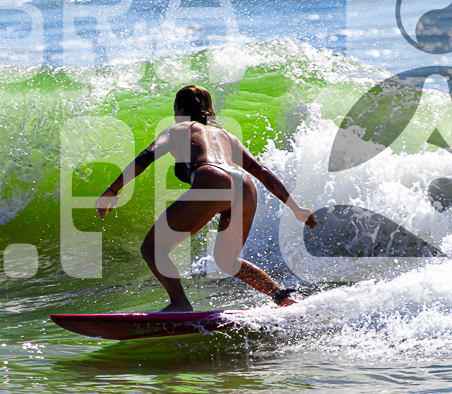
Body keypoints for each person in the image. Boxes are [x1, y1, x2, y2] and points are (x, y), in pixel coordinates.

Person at [95, 85, 318, 312]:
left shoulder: (177, 129)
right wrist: (296, 208)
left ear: (182, 110)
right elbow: (261, 171)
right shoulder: (226, 136)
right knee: (228, 260)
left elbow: (146, 157)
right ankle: (282, 299)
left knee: (152, 248)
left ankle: (180, 303)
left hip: (212, 179)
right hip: (244, 185)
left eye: (175, 109)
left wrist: (112, 190)